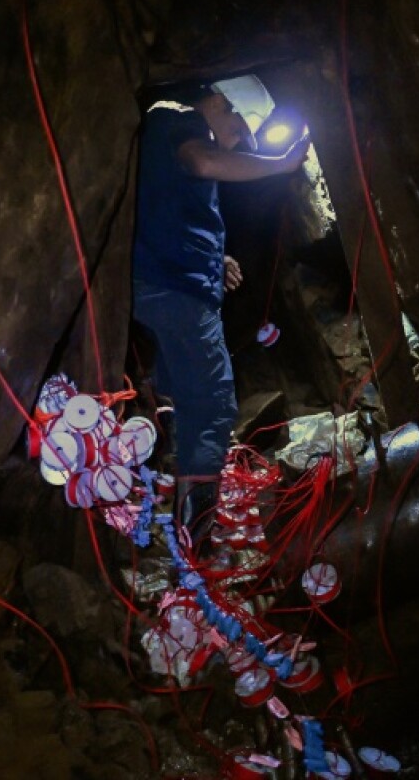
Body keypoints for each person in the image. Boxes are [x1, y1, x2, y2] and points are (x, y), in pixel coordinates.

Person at [132, 75, 310, 550]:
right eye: (234, 120)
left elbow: (171, 210)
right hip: (176, 286)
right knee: (213, 402)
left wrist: (219, 259)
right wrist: (280, 162)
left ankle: (165, 479)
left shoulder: (161, 133)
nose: (236, 134)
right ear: (216, 101)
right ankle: (196, 538)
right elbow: (203, 159)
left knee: (174, 386)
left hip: (169, 280)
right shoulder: (176, 117)